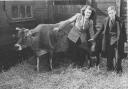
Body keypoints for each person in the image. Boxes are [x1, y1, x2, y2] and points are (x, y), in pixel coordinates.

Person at [90, 6, 127, 73]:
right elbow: (100, 30)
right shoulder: (106, 20)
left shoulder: (120, 20)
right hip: (109, 40)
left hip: (118, 40)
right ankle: (110, 69)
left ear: (115, 12)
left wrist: (125, 41)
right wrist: (94, 38)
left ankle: (118, 71)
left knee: (118, 56)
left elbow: (124, 32)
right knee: (109, 55)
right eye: (109, 13)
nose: (111, 14)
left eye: (112, 13)